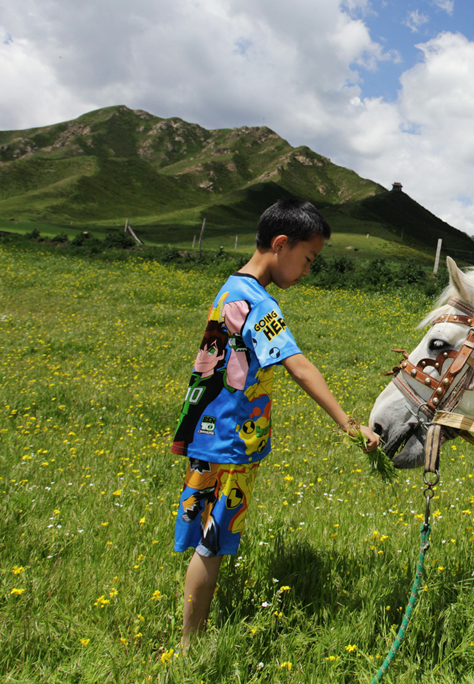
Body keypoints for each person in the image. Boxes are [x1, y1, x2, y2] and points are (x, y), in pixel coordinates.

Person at [169, 198, 381, 649]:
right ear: (281, 244)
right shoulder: (260, 304)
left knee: (204, 534)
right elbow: (298, 366)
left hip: (209, 434)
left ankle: (191, 635)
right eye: (308, 259)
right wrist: (349, 424)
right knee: (211, 544)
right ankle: (190, 647)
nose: (307, 271)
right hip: (232, 445)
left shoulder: (229, 289)